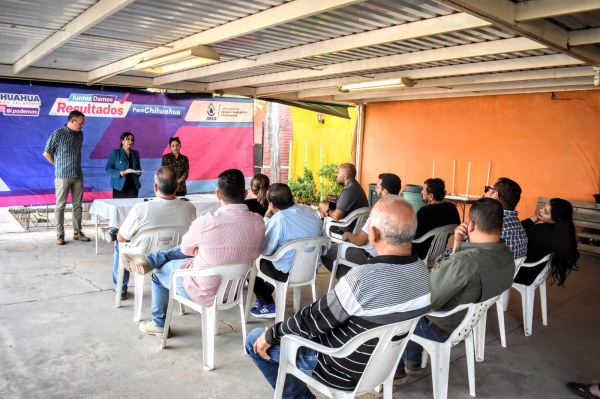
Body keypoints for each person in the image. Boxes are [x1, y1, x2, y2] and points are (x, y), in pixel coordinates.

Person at [246, 196, 431, 397]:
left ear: (374, 234)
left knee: (255, 340)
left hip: (340, 368)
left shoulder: (363, 278)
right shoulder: (423, 272)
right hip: (384, 365)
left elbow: (314, 320)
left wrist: (273, 333)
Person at [123, 169, 265, 338]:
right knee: (198, 251)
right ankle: (153, 259)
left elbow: (184, 250)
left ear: (217, 194)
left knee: (159, 272)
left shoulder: (207, 222)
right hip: (234, 290)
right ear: (245, 193)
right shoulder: (258, 221)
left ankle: (159, 324)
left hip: (203, 290)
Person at [395, 198, 514, 382]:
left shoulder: (462, 263)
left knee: (393, 308)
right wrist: (458, 245)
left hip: (442, 326)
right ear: (502, 225)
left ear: (471, 224)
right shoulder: (506, 254)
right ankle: (413, 360)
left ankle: (395, 373)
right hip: (465, 322)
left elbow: (426, 302)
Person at [112, 167, 196, 300]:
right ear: (178, 186)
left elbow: (121, 237)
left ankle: (120, 289)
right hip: (175, 256)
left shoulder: (141, 208)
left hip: (142, 256)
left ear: (155, 187)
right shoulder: (190, 208)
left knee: (118, 244)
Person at [249, 183, 323, 318]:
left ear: (271, 204)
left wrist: (266, 216)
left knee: (250, 264)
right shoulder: (310, 211)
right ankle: (264, 298)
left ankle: (267, 304)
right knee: (278, 259)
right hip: (311, 268)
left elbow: (265, 250)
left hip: (287, 273)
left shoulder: (279, 219)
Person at [333, 173, 401, 278]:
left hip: (371, 257)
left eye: (378, 187)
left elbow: (360, 241)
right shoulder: (404, 210)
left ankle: (351, 281)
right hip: (394, 258)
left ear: (385, 191)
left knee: (326, 251)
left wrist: (348, 235)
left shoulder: (379, 211)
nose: (375, 189)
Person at [43, 110, 91, 245]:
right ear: (72, 121)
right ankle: (60, 234)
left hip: (77, 175)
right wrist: (57, 165)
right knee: (60, 206)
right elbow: (46, 153)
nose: (82, 126)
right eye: (80, 124)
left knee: (78, 205)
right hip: (62, 176)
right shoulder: (58, 134)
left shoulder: (80, 135)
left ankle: (77, 232)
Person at [514, 198, 580, 286]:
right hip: (538, 270)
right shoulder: (563, 233)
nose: (540, 210)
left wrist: (535, 218)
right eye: (543, 207)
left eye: (545, 212)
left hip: (524, 273)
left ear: (555, 218)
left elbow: (516, 230)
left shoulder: (540, 231)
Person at [319, 163, 369, 270]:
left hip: (347, 229)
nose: (336, 174)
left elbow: (337, 216)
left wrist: (327, 210)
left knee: (322, 209)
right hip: (356, 225)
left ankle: (320, 245)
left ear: (345, 176)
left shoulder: (349, 190)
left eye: (338, 172)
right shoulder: (356, 187)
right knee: (324, 205)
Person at [413, 178, 461, 261]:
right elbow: (457, 228)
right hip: (440, 252)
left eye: (423, 190)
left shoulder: (424, 211)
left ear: (431, 196)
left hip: (421, 253)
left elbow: (414, 233)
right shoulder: (452, 208)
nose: (421, 192)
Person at [484, 177, 528, 259]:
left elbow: (458, 258)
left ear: (495, 195)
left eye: (487, 189)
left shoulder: (489, 223)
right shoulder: (517, 223)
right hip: (509, 270)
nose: (485, 194)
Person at [105, 132, 141, 199]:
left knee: (131, 206)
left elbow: (138, 168)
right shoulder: (115, 153)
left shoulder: (136, 153)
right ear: (122, 141)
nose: (130, 141)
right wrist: (119, 173)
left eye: (132, 140)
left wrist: (138, 172)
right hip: (119, 186)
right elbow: (108, 168)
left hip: (133, 186)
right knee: (120, 206)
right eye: (128, 139)